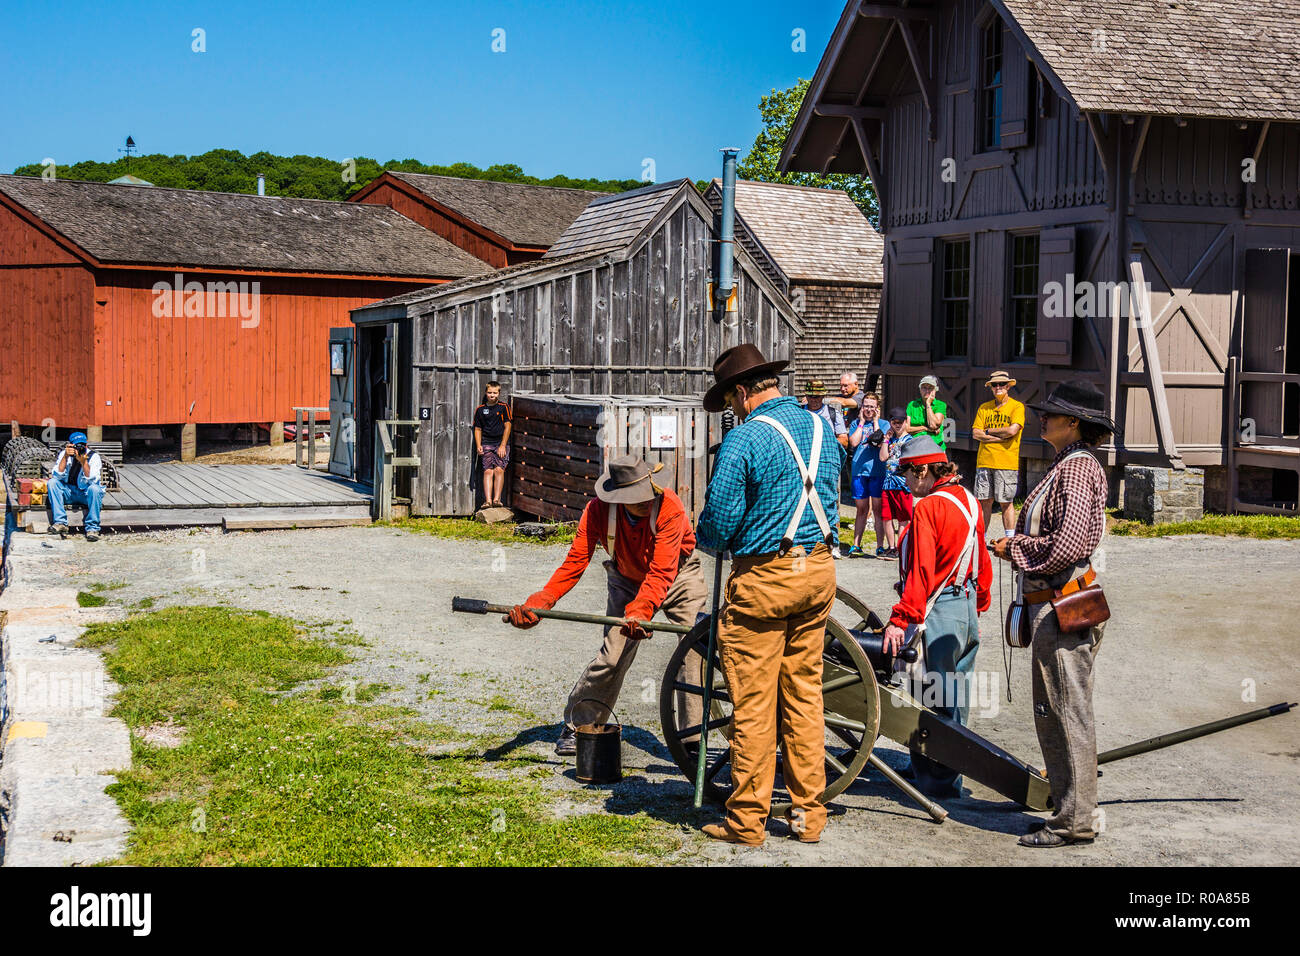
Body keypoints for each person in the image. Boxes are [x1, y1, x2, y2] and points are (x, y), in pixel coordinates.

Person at [696, 344, 843, 846]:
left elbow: (718, 524)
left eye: (732, 400)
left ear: (741, 393)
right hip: (818, 569)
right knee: (805, 697)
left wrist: (710, 536)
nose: (733, 409)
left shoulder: (745, 439)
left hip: (765, 580)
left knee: (754, 706)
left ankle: (746, 822)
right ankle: (808, 817)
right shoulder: (824, 428)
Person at [505, 455, 707, 755]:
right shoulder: (598, 511)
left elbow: (662, 572)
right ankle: (579, 725)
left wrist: (642, 610)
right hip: (626, 578)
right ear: (619, 497)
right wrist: (542, 601)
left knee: (692, 652)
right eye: (636, 498)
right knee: (612, 657)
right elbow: (575, 562)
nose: (645, 501)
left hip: (679, 576)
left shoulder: (670, 507)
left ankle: (691, 740)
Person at [991, 381, 1115, 848]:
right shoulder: (1066, 465)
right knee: (1055, 713)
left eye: (1052, 415)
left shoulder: (1078, 469)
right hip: (1052, 605)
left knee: (1069, 714)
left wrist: (1014, 547)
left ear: (1075, 424)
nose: (1042, 418)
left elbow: (1068, 546)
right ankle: (1067, 810)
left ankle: (1075, 821)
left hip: (1064, 606)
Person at [882, 437, 991, 798]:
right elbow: (981, 562)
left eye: (908, 473)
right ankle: (940, 772)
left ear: (925, 470)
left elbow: (922, 570)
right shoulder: (970, 501)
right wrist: (978, 602)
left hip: (939, 606)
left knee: (931, 696)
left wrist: (902, 617)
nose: (906, 481)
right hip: (965, 605)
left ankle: (938, 782)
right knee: (954, 695)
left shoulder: (928, 508)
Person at [971, 370, 1025, 537]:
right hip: (984, 461)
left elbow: (1012, 430)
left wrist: (989, 431)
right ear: (991, 388)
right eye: (995, 384)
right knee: (984, 502)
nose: (998, 387)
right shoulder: (984, 408)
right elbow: (976, 434)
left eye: (1002, 384)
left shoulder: (1017, 406)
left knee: (1006, 502)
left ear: (1008, 386)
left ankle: (1009, 539)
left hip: (1006, 462)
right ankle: (981, 538)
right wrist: (999, 438)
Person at [846, 392, 886, 557]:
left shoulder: (884, 424)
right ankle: (856, 545)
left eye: (872, 406)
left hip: (877, 471)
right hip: (859, 471)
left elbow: (879, 442)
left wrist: (876, 422)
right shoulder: (856, 423)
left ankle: (879, 545)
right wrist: (862, 422)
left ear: (877, 409)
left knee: (878, 510)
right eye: (866, 406)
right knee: (861, 509)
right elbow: (854, 442)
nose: (869, 409)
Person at [48, 431, 105, 541]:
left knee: (95, 489)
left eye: (82, 445)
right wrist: (65, 456)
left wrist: (84, 463)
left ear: (86, 445)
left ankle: (92, 528)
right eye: (77, 445)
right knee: (52, 483)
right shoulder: (65, 454)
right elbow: (57, 474)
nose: (80, 448)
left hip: (85, 494)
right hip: (69, 492)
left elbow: (93, 480)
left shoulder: (94, 457)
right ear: (70, 445)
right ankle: (60, 522)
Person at [877, 407, 914, 559]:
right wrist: (886, 439)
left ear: (905, 422)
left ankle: (901, 547)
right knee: (886, 516)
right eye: (894, 422)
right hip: (888, 483)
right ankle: (891, 547)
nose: (897, 425)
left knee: (903, 518)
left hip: (903, 484)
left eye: (900, 422)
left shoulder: (910, 440)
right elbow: (882, 457)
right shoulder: (890, 440)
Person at [474, 382, 512, 508]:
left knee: (499, 470)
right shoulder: (480, 410)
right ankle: (488, 501)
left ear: (499, 393)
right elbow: (478, 429)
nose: (492, 395)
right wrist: (479, 445)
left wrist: (503, 445)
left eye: (495, 393)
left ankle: (497, 500)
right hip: (486, 443)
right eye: (490, 392)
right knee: (487, 471)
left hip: (500, 444)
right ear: (486, 393)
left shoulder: (503, 407)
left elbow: (508, 426)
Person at [802, 380, 849, 450]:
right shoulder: (799, 412)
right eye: (810, 396)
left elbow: (844, 441)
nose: (813, 399)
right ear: (806, 396)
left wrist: (824, 442)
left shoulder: (833, 414)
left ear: (823, 396)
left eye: (816, 396)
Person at [906, 375, 948, 450]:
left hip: (935, 446)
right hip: (915, 447)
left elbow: (933, 426)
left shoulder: (940, 405)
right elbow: (907, 429)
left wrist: (928, 404)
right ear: (920, 389)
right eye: (924, 388)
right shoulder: (912, 405)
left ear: (935, 390)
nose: (927, 391)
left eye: (930, 388)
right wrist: (925, 428)